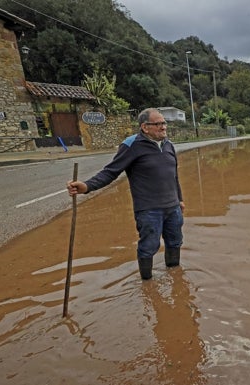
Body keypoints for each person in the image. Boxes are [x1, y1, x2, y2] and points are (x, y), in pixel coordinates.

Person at [67, 108, 185, 280]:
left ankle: (175, 277)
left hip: (173, 208)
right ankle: (147, 284)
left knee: (175, 242)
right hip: (149, 210)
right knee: (148, 247)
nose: (163, 127)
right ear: (145, 127)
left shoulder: (168, 145)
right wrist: (86, 186)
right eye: (158, 124)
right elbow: (110, 172)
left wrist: (179, 199)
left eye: (164, 123)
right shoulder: (131, 145)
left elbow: (173, 175)